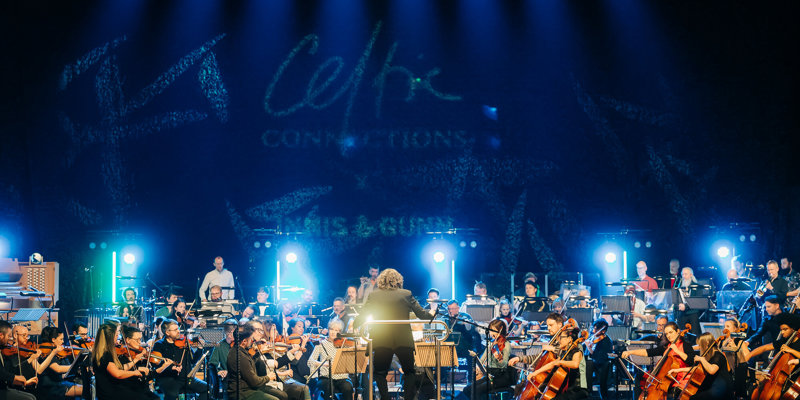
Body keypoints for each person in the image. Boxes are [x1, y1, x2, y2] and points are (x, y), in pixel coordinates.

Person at [354, 268, 433, 400]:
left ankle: (385, 398)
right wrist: (432, 314)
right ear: (398, 280)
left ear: (381, 280)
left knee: (379, 373)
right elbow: (421, 314)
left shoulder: (375, 295)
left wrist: (355, 325)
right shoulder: (406, 294)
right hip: (403, 339)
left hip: (381, 339)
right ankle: (408, 398)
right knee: (409, 372)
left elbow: (363, 315)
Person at [517, 324, 590, 400]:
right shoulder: (563, 352)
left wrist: (561, 362)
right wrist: (534, 373)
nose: (558, 340)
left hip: (577, 389)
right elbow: (552, 364)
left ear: (569, 339)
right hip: (566, 388)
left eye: (561, 338)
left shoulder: (577, 351)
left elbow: (575, 364)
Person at [621, 321, 696, 394]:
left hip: (679, 377)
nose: (669, 336)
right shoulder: (666, 347)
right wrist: (630, 352)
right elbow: (649, 352)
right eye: (666, 334)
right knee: (639, 377)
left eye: (671, 332)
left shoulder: (686, 346)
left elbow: (691, 361)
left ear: (678, 331)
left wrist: (677, 350)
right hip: (666, 377)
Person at [455, 319, 515, 400]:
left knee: (477, 390)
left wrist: (499, 358)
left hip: (502, 377)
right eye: (490, 330)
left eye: (493, 330)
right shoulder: (491, 343)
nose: (491, 333)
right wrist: (478, 367)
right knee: (467, 389)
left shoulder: (506, 344)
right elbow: (482, 358)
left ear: (500, 330)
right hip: (490, 375)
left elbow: (503, 365)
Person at [152, 319, 209, 400]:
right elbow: (156, 364)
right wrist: (170, 368)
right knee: (173, 394)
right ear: (167, 332)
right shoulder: (159, 345)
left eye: (178, 328)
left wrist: (199, 349)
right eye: (175, 330)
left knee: (207, 388)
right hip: (168, 378)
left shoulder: (184, 343)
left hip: (186, 378)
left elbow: (193, 360)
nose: (178, 331)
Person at [92, 322, 151, 400]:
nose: (118, 337)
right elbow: (118, 374)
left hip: (113, 389)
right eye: (116, 335)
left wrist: (136, 360)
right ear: (110, 337)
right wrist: (134, 373)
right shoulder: (105, 354)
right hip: (110, 393)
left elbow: (121, 368)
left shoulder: (103, 352)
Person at [668, 332, 733, 400]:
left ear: (707, 343)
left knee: (694, 398)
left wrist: (702, 359)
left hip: (720, 389)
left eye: (700, 345)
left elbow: (712, 370)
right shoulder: (709, 356)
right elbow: (699, 369)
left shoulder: (718, 355)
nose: (699, 347)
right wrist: (677, 370)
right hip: (713, 387)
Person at [227, 321, 280, 400]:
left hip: (245, 388)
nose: (252, 341)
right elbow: (254, 382)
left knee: (279, 395)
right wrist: (268, 377)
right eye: (251, 339)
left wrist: (258, 353)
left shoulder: (238, 351)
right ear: (244, 341)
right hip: (241, 392)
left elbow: (249, 363)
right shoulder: (240, 355)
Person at [116, 325, 168, 399]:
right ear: (127, 340)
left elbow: (148, 377)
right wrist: (137, 364)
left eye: (140, 339)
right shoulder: (121, 355)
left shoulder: (141, 356)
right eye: (137, 340)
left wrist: (163, 367)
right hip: (127, 390)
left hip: (141, 389)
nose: (139, 342)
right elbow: (120, 373)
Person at [306, 319, 354, 400]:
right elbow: (310, 361)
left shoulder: (343, 344)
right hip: (326, 377)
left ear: (340, 332)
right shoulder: (321, 344)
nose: (333, 332)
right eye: (331, 329)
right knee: (328, 386)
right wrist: (325, 364)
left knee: (348, 386)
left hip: (342, 377)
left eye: (336, 330)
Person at [35, 326, 83, 399]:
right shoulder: (48, 352)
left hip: (59, 383)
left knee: (88, 387)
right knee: (86, 389)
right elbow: (58, 369)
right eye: (61, 339)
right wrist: (75, 366)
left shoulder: (56, 352)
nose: (63, 341)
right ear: (53, 340)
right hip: (51, 387)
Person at [0, 321, 37, 400]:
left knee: (32, 397)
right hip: (1, 389)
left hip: (4, 387)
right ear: (1, 335)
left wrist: (24, 382)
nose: (10, 339)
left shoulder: (2, 351)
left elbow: (10, 371)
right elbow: (2, 374)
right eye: (9, 336)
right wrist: (15, 377)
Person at [208, 319, 239, 398]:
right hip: (228, 380)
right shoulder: (220, 345)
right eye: (234, 332)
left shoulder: (240, 344)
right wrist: (219, 371)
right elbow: (212, 363)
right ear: (229, 333)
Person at [585, 319, 612, 400]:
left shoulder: (605, 341)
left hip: (602, 365)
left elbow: (598, 357)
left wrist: (589, 347)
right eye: (593, 328)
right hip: (598, 364)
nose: (593, 331)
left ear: (603, 331)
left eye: (596, 329)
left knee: (589, 364)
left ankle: (588, 391)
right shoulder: (598, 339)